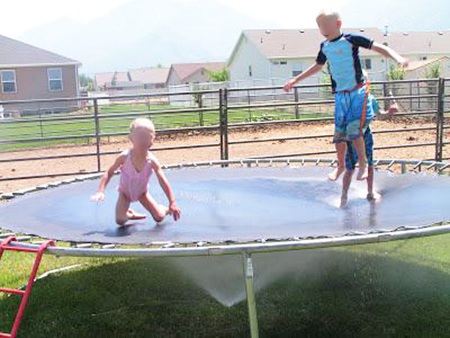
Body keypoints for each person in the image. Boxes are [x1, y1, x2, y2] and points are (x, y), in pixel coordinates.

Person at [284, 10, 408, 182]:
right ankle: (341, 165)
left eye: (326, 25)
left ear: (338, 24)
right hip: (340, 95)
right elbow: (318, 66)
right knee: (339, 133)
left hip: (357, 91)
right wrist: (295, 80)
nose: (323, 29)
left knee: (355, 129)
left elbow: (379, 47)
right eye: (320, 26)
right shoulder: (325, 46)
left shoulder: (351, 40)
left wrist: (398, 58)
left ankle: (363, 164)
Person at [91, 117, 181, 226]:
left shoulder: (152, 161)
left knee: (159, 217)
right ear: (131, 138)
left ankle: (164, 209)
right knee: (120, 220)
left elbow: (163, 181)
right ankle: (130, 214)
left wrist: (172, 202)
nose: (144, 141)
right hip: (125, 194)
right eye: (140, 137)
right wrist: (100, 191)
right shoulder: (124, 157)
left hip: (142, 193)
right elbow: (109, 173)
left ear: (153, 138)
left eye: (148, 137)